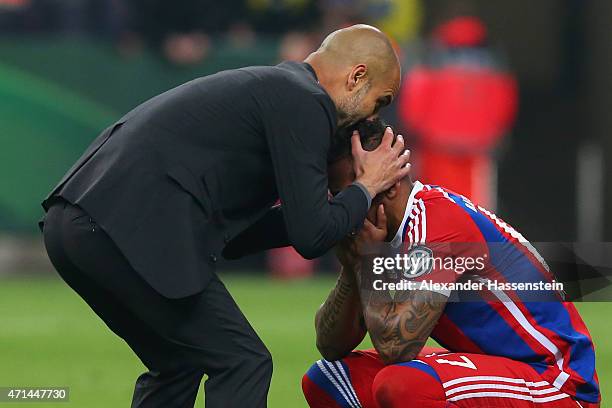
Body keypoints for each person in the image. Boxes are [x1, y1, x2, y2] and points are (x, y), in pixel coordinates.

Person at [40, 25, 409, 408]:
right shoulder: (306, 100)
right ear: (357, 76)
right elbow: (312, 235)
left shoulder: (282, 91)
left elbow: (240, 239)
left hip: (78, 225)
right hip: (124, 228)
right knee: (243, 362)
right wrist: (364, 189)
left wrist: (341, 210)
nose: (373, 116)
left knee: (178, 363)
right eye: (379, 102)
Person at [302, 119, 600, 407]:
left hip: (557, 384)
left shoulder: (436, 224)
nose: (341, 209)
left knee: (402, 385)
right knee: (328, 379)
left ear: (388, 187)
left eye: (348, 196)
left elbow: (396, 347)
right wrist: (355, 266)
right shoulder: (383, 232)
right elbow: (330, 345)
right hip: (503, 371)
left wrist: (367, 262)